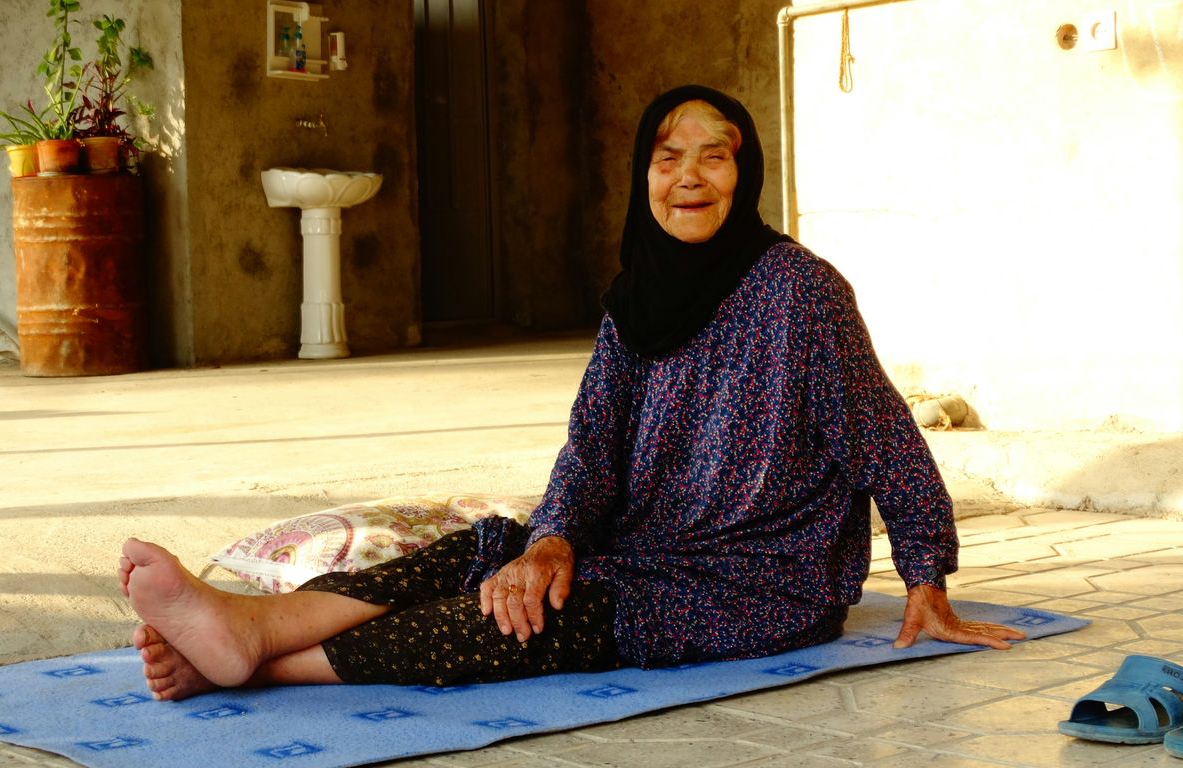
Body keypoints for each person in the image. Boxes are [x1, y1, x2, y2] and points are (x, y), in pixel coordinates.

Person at [118, 84, 1024, 702]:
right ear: (645, 174)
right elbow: (592, 446)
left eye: (716, 158)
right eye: (669, 157)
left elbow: (884, 435)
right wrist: (551, 541)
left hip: (758, 581)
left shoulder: (801, 291)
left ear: (746, 177)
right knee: (487, 557)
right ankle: (250, 626)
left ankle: (253, 666)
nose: (690, 177)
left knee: (528, 625)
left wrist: (925, 577)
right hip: (639, 548)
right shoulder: (634, 298)